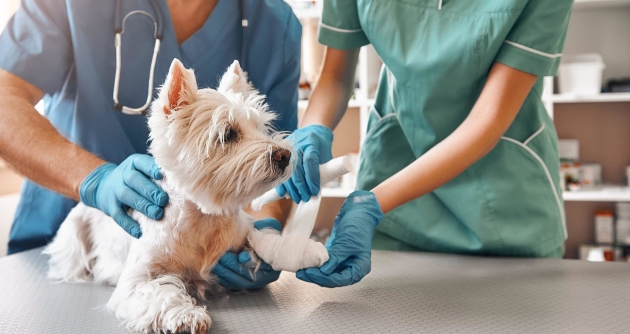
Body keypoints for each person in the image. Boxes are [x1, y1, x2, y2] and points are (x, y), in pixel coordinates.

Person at [0, 0, 301, 290]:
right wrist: (93, 181)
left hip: (212, 261)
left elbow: (275, 162)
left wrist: (265, 235)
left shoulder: (275, 24)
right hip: (67, 247)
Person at [279, 0, 574, 288]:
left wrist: (374, 204)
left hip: (504, 205)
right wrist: (312, 129)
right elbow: (335, 76)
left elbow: (488, 118)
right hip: (395, 185)